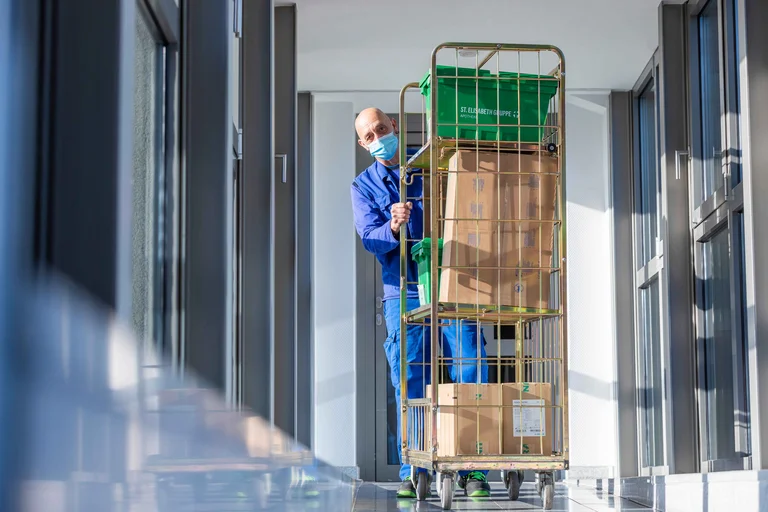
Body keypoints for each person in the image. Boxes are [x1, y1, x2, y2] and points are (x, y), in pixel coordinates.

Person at [350, 108, 491, 499]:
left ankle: (472, 468)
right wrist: (393, 224)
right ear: (363, 145)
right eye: (370, 135)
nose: (378, 137)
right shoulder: (364, 186)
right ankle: (415, 468)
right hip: (405, 291)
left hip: (451, 283)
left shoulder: (431, 165)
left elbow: (466, 210)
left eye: (382, 128)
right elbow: (370, 239)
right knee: (411, 381)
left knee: (470, 370)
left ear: (394, 126)